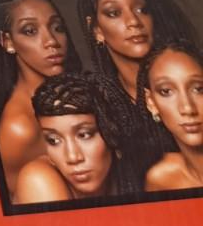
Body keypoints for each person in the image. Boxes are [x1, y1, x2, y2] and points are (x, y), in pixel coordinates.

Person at [76, 0, 196, 168]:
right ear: (96, 29)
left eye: (142, 9)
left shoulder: (189, 74)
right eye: (114, 13)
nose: (134, 21)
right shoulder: (98, 103)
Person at [0, 0, 81, 197]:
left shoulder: (76, 96)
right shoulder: (19, 129)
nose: (51, 41)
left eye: (57, 27)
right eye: (30, 31)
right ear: (8, 42)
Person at [13, 73, 137, 203]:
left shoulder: (133, 174)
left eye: (84, 135)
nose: (72, 157)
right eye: (53, 140)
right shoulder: (38, 179)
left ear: (112, 131)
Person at [142, 40, 203, 191]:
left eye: (198, 89)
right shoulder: (162, 180)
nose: (187, 108)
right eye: (166, 91)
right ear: (151, 102)